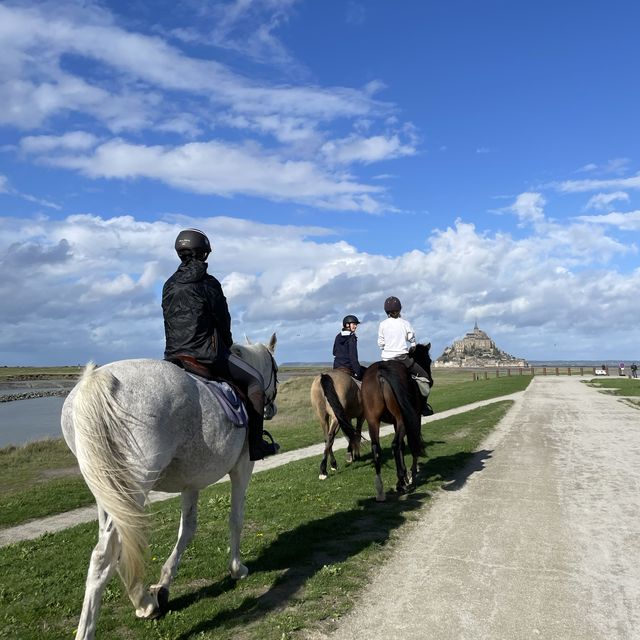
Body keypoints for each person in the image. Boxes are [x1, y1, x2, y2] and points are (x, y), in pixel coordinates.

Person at [162, 228, 279, 461]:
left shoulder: (168, 284)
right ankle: (256, 446)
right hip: (206, 355)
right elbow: (223, 321)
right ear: (204, 253)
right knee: (255, 381)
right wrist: (226, 346)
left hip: (174, 355)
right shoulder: (209, 283)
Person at [377, 295, 432, 415]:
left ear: (387, 311)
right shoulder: (405, 323)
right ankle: (423, 407)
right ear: (400, 310)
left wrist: (387, 347)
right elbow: (412, 340)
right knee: (425, 377)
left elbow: (380, 344)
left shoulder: (382, 324)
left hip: (386, 359)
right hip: (402, 359)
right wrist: (412, 345)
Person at [332, 314, 364, 380]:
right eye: (354, 324)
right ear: (347, 325)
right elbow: (353, 357)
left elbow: (334, 352)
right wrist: (358, 372)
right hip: (348, 367)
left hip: (336, 367)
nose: (355, 326)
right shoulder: (351, 337)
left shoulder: (338, 336)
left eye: (356, 325)